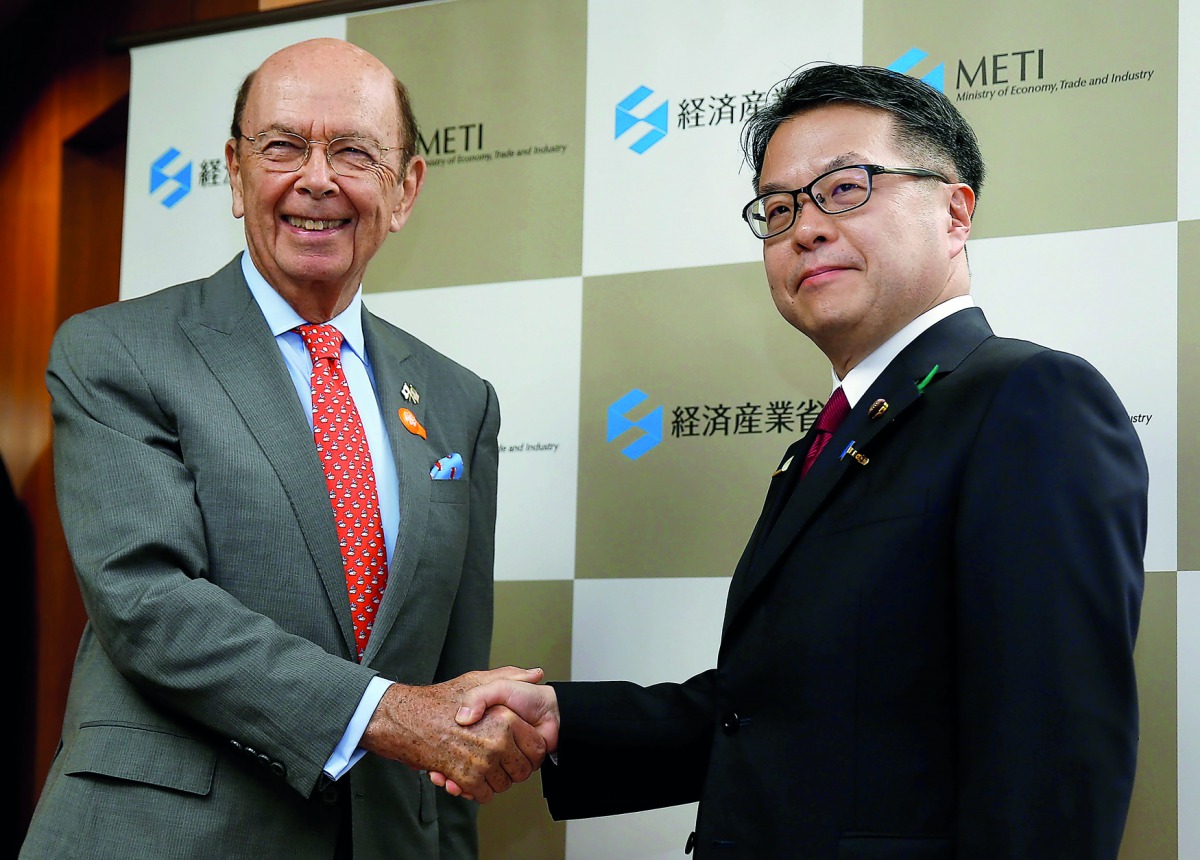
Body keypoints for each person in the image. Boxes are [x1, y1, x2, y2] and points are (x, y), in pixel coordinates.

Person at [444, 63, 1150, 858]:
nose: (805, 228)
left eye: (845, 188)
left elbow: (1052, 763)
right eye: (778, 209)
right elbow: (779, 712)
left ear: (955, 213)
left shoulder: (1029, 400)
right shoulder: (832, 438)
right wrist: (564, 719)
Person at [21, 38, 545, 860]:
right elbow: (148, 603)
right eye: (282, 146)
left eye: (354, 152)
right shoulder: (117, 352)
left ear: (406, 189)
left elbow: (454, 694)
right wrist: (388, 715)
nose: (316, 179)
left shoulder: (459, 402)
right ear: (235, 173)